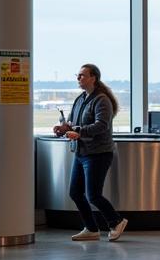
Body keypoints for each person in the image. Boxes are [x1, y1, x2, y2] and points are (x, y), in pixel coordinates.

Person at [54, 63, 127, 242]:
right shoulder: (80, 99)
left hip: (98, 153)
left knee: (93, 194)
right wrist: (64, 128)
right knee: (75, 192)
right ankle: (91, 228)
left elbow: (102, 125)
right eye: (77, 76)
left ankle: (116, 221)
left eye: (82, 75)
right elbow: (72, 122)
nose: (78, 79)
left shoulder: (101, 100)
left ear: (93, 78)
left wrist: (78, 131)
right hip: (81, 152)